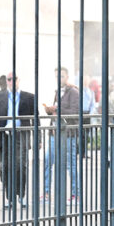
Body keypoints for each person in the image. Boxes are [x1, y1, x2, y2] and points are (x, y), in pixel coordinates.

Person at [0, 72, 35, 208]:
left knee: (21, 165)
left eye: (14, 79)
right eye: (9, 79)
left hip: (21, 134)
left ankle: (21, 194)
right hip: (4, 134)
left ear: (19, 80)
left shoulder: (29, 97)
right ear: (6, 81)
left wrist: (38, 139)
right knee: (6, 167)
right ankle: (10, 197)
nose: (12, 82)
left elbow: (35, 118)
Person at [43, 67, 80, 204]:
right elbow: (55, 112)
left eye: (62, 76)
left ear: (67, 77)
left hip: (68, 134)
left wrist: (57, 109)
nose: (59, 79)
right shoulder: (58, 92)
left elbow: (75, 112)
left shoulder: (74, 92)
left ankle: (76, 194)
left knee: (71, 164)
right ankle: (46, 193)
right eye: (57, 76)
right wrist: (49, 110)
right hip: (54, 133)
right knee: (47, 161)